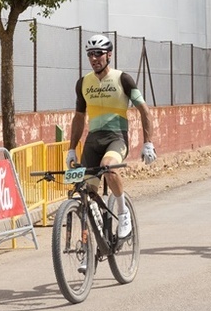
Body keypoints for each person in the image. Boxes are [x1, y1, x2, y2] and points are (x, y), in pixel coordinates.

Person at [67, 34, 156, 239]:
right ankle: (90, 247)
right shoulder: (83, 83)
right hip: (92, 140)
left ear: (109, 55)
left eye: (98, 53)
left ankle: (123, 212)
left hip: (116, 137)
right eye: (90, 54)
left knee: (108, 167)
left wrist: (148, 143)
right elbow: (79, 117)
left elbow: (144, 110)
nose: (94, 58)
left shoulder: (122, 79)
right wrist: (72, 148)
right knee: (84, 191)